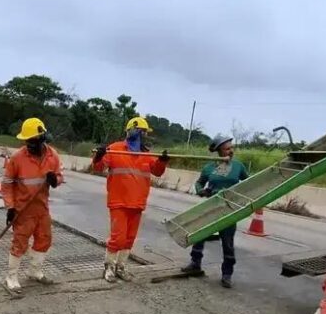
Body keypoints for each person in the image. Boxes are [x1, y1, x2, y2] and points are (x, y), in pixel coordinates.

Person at [92, 117, 169, 282]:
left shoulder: (146, 154)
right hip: (119, 202)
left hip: (137, 203)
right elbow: (98, 168)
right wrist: (99, 156)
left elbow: (157, 171)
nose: (145, 135)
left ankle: (121, 267)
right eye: (143, 132)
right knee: (117, 238)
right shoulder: (115, 149)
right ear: (134, 131)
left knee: (129, 239)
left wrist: (162, 161)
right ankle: (109, 267)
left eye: (145, 133)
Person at [0, 117, 63, 294]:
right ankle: (11, 276)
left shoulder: (52, 156)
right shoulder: (17, 157)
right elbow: (7, 184)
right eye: (27, 141)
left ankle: (34, 271)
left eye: (33, 140)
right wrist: (10, 207)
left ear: (42, 138)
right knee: (20, 243)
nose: (29, 144)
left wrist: (54, 180)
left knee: (44, 239)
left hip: (41, 208)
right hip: (23, 209)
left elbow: (59, 177)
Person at [180, 135, 249, 288]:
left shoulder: (238, 166)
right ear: (219, 151)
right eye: (227, 148)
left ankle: (227, 273)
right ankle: (195, 263)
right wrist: (201, 191)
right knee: (200, 235)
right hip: (211, 206)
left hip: (229, 209)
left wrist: (244, 198)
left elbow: (248, 182)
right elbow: (199, 182)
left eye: (232, 148)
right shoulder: (209, 168)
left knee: (227, 241)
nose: (230, 151)